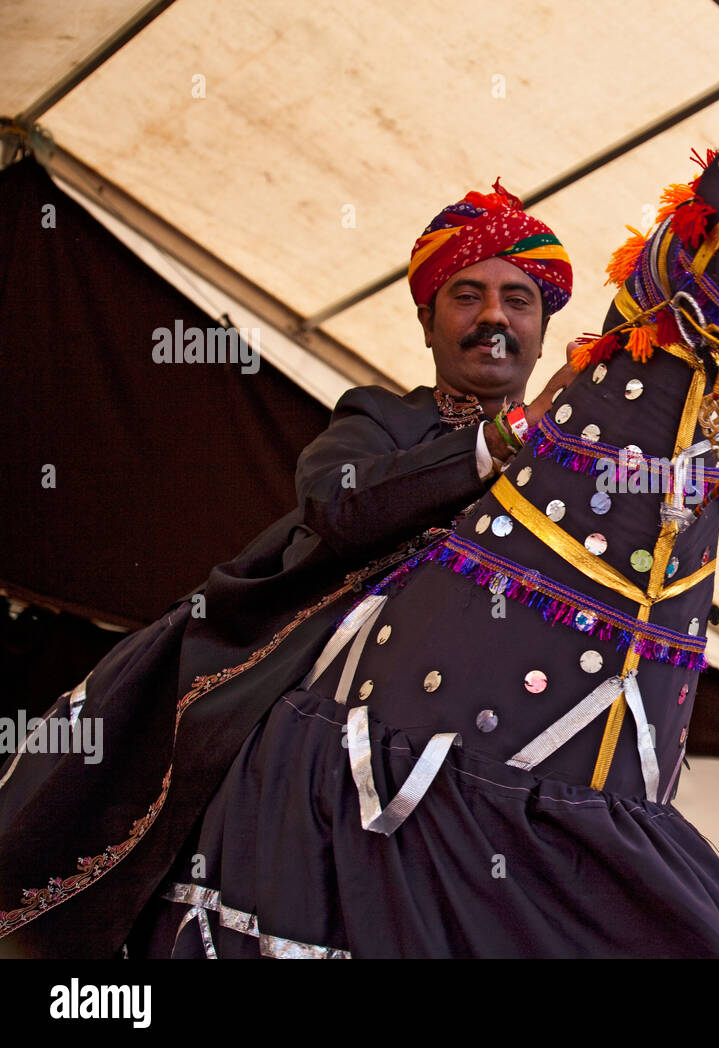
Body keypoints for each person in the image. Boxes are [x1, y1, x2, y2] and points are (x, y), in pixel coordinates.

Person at [0, 183, 577, 957]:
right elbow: (337, 508)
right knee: (190, 720)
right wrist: (505, 440)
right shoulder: (378, 417)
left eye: (518, 301)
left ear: (543, 331)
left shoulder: (574, 463)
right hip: (313, 653)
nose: (495, 318)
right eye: (466, 296)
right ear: (427, 322)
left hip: (503, 700)